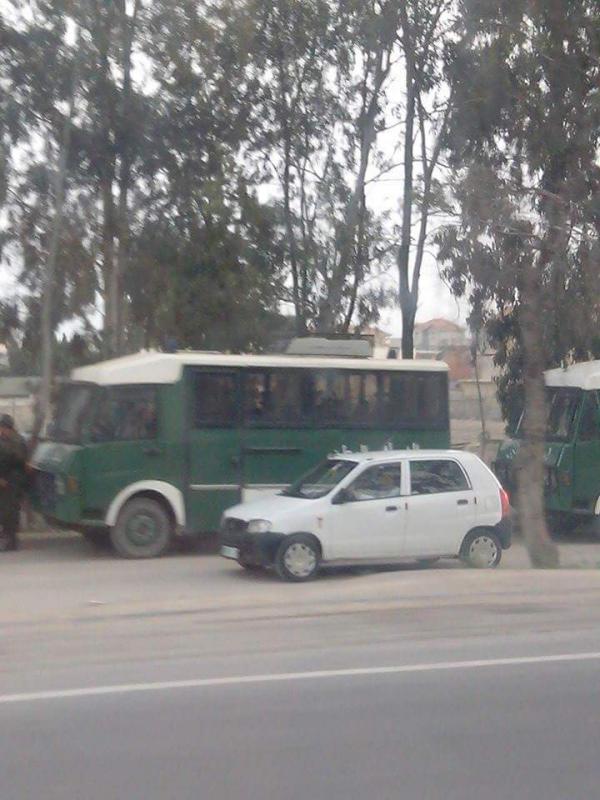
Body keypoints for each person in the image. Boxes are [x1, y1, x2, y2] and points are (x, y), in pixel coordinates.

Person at [0, 415, 28, 552]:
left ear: (8, 428)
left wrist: (4, 478)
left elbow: (17, 461)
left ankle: (11, 540)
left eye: (2, 428)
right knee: (5, 511)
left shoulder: (16, 441)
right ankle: (7, 536)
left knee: (10, 511)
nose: (1, 431)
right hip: (5, 479)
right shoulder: (5, 440)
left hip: (12, 480)